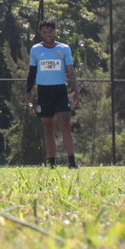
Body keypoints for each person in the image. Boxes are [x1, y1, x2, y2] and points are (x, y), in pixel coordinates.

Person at [26, 19, 81, 168]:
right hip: (43, 91)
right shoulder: (35, 50)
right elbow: (32, 72)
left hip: (60, 91)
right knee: (48, 127)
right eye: (44, 32)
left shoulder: (64, 49)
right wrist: (28, 92)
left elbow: (71, 72)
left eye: (50, 31)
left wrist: (76, 91)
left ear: (54, 31)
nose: (47, 34)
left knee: (65, 124)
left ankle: (71, 162)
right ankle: (51, 163)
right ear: (41, 33)